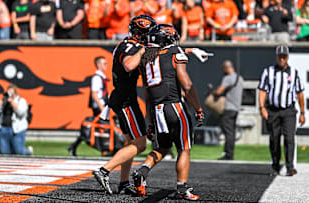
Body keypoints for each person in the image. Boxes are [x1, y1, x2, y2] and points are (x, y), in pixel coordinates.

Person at [132, 24, 204, 201]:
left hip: (157, 109)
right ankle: (181, 188)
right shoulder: (175, 52)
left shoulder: (147, 59)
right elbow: (186, 85)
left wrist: (150, 121)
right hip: (174, 107)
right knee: (184, 148)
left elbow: (148, 96)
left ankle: (142, 171)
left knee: (162, 147)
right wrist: (198, 108)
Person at [92, 15, 156, 195]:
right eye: (147, 34)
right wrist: (144, 50)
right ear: (139, 33)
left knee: (129, 143)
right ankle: (104, 170)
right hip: (126, 100)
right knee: (140, 144)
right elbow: (128, 65)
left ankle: (124, 182)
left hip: (123, 97)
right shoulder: (131, 46)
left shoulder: (130, 44)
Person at [258, 45, 305, 176]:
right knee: (274, 139)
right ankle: (275, 165)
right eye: (280, 57)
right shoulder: (268, 71)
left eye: (284, 57)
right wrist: (262, 107)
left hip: (289, 110)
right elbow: (263, 90)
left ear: (288, 57)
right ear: (276, 57)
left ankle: (290, 167)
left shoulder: (294, 73)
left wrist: (302, 112)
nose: (282, 60)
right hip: (272, 110)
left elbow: (300, 93)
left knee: (290, 138)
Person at [67, 56, 108, 156]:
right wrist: (101, 107)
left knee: (98, 127)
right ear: (98, 65)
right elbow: (95, 94)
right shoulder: (97, 78)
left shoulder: (102, 77)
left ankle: (74, 146)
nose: (106, 65)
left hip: (101, 106)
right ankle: (105, 148)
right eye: (104, 63)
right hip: (99, 107)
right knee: (101, 126)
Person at [212, 60, 244, 160]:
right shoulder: (240, 78)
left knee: (228, 133)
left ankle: (229, 155)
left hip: (229, 108)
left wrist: (214, 92)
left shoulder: (228, 78)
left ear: (226, 68)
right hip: (236, 108)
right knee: (232, 132)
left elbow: (219, 91)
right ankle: (230, 153)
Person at [0, 84, 33, 155]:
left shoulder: (21, 100)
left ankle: (29, 151)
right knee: (4, 153)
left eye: (11, 93)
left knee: (19, 152)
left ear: (15, 93)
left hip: (17, 129)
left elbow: (21, 112)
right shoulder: (4, 101)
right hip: (4, 128)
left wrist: (12, 102)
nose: (10, 95)